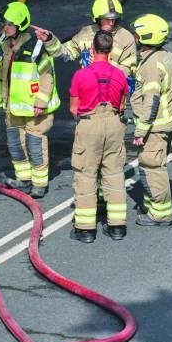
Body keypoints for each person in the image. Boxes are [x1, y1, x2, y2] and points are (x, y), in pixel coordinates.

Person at [0, 1, 60, 198]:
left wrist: (41, 103)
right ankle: (24, 180)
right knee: (15, 143)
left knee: (35, 144)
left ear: (19, 25)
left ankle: (39, 184)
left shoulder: (35, 47)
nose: (5, 27)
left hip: (34, 108)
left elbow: (47, 77)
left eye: (9, 24)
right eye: (5, 24)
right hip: (13, 106)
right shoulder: (3, 45)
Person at [68, 30, 129, 243]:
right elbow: (122, 105)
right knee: (113, 174)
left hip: (89, 125)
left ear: (92, 49)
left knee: (86, 176)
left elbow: (73, 109)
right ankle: (117, 227)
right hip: (114, 124)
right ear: (111, 50)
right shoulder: (120, 75)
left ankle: (85, 230)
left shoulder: (80, 75)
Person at [130, 13, 172, 226]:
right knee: (153, 165)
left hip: (154, 127)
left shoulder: (151, 66)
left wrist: (141, 131)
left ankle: (160, 214)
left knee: (152, 167)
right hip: (163, 124)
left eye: (137, 33)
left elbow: (151, 101)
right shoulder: (164, 56)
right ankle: (151, 205)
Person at [46, 0, 137, 78]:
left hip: (112, 90)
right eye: (107, 19)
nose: (111, 22)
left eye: (114, 18)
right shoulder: (86, 34)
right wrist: (49, 40)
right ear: (97, 18)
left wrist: (105, 65)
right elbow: (65, 54)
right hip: (88, 88)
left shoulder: (126, 38)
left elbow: (130, 70)